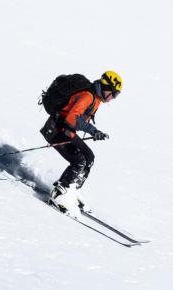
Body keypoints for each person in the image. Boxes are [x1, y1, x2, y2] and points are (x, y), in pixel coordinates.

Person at [41, 70, 122, 212]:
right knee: (79, 161)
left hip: (66, 132)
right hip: (56, 131)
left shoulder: (96, 99)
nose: (113, 98)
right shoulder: (87, 96)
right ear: (106, 88)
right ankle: (59, 194)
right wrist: (93, 131)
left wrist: (95, 132)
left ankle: (71, 190)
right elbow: (72, 119)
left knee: (89, 157)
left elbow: (79, 120)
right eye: (113, 94)